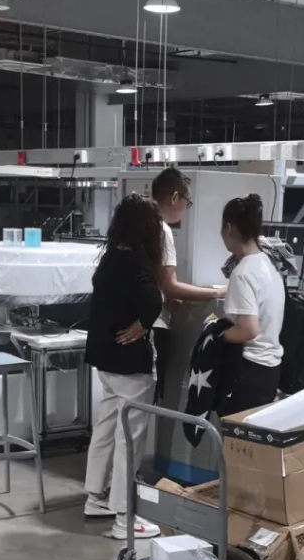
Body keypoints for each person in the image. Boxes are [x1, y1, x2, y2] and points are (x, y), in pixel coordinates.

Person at [83, 194, 165, 539]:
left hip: (105, 360)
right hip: (130, 364)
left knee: (105, 429)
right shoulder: (139, 262)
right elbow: (154, 299)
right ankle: (124, 518)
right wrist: (143, 325)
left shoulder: (110, 257)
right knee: (129, 439)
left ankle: (95, 497)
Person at [150, 168, 225, 401]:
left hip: (126, 326)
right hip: (151, 326)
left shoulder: (136, 226)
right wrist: (215, 292)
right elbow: (170, 286)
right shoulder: (162, 230)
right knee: (144, 406)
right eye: (187, 202)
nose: (186, 208)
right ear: (174, 198)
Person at [218, 193, 286, 416]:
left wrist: (217, 336)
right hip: (270, 369)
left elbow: (248, 330)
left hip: (247, 372)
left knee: (235, 435)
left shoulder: (243, 273)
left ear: (228, 228)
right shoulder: (269, 263)